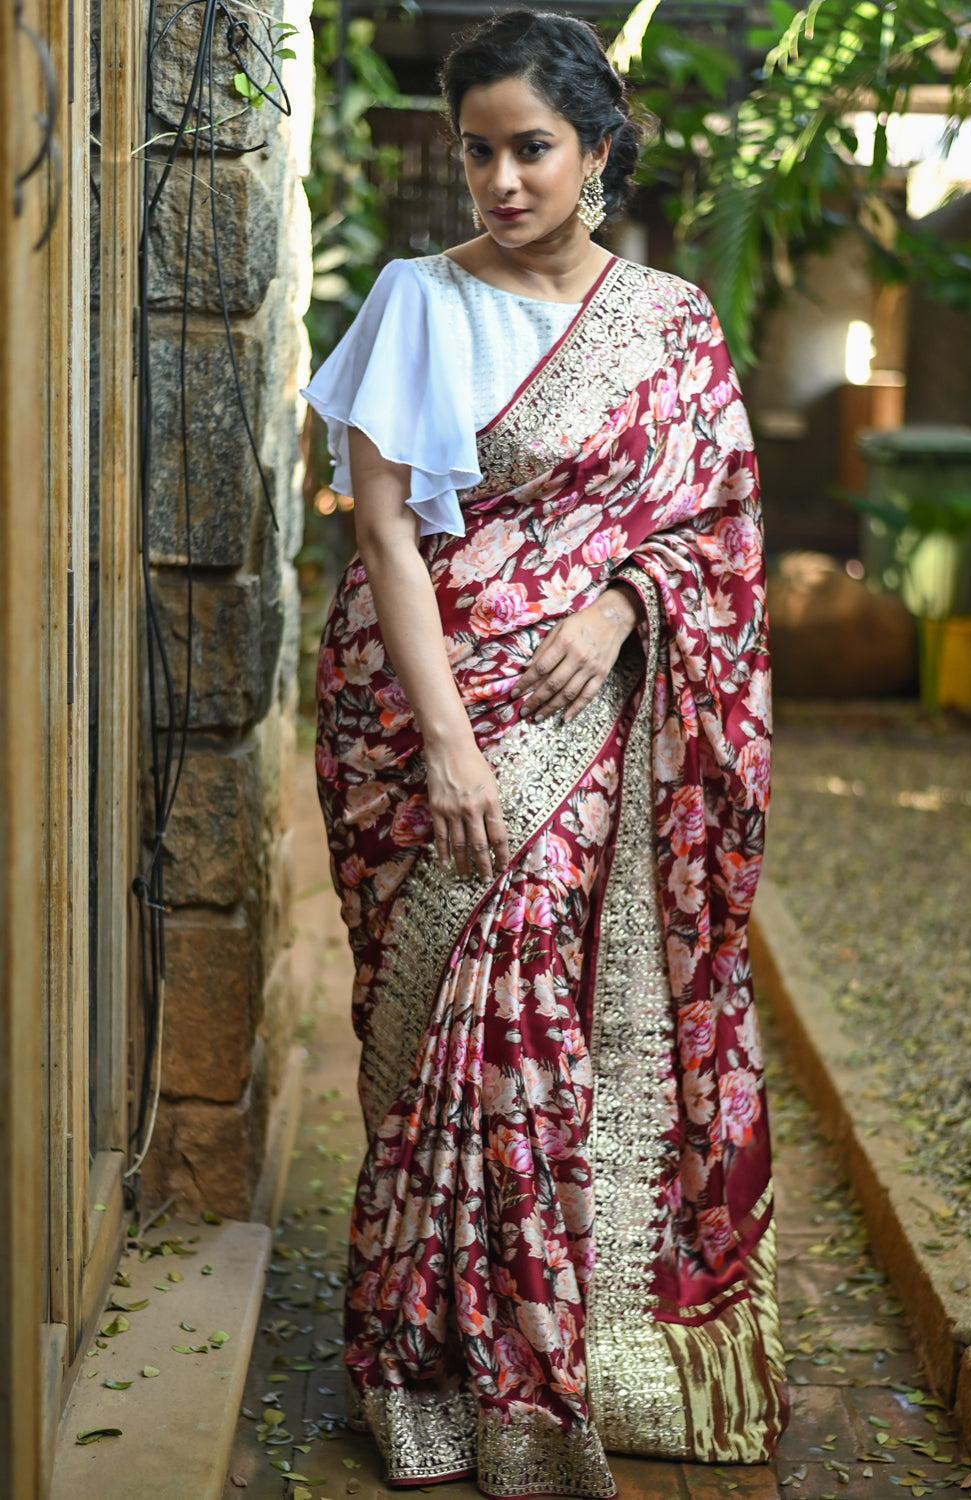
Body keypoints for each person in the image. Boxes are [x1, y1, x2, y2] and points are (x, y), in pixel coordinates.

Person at [301, 11, 787, 1498]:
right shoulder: (414, 301)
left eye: (532, 149)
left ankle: (552, 1367)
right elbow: (384, 526)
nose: (501, 179)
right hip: (423, 716)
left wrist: (628, 601)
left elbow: (716, 531)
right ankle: (441, 1367)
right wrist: (449, 746)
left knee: (539, 1021)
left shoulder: (675, 325)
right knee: (446, 1032)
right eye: (478, 150)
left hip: (597, 711)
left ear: (596, 152)